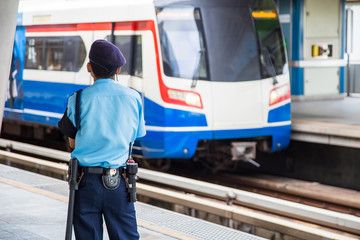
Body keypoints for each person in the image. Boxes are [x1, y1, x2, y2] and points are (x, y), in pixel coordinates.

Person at [58, 39, 146, 240]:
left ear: (89, 67)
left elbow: (72, 142)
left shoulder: (77, 99)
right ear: (118, 69)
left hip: (85, 182)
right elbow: (135, 136)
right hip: (120, 181)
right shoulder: (134, 98)